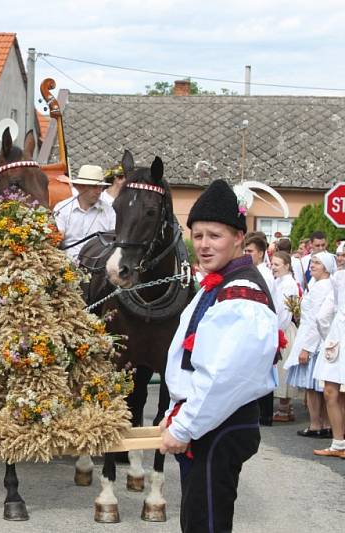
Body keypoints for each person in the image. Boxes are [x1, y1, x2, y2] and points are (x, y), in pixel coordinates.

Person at [159, 179, 278, 533]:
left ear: (239, 237)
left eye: (215, 235)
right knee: (197, 519)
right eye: (197, 236)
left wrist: (184, 424)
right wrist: (174, 414)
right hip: (208, 421)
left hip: (220, 423)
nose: (204, 245)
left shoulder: (241, 293)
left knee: (205, 523)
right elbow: (188, 359)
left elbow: (224, 377)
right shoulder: (219, 283)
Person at [284, 251, 335, 438]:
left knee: (313, 388)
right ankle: (325, 423)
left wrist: (307, 347)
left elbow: (317, 320)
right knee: (317, 388)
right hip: (315, 338)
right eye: (311, 262)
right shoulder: (318, 284)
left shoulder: (323, 286)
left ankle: (316, 424)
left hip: (314, 342)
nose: (312, 265)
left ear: (326, 267)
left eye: (317, 263)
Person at [313, 259, 345, 457]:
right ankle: (338, 443)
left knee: (332, 393)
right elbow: (323, 316)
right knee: (332, 392)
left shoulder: (339, 277)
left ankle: (339, 443)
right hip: (337, 339)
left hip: (337, 338)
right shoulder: (338, 277)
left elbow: (323, 317)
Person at [53, 164, 116, 262]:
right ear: (79, 187)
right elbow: (57, 238)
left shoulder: (109, 211)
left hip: (97, 264)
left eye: (100, 187)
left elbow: (113, 239)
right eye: (94, 187)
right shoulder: (62, 208)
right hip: (67, 264)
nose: (99, 191)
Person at [271, 251, 302, 422]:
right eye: (273, 264)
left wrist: (277, 330)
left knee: (283, 369)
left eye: (277, 264)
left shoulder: (289, 284)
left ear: (287, 266)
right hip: (281, 328)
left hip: (284, 329)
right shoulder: (279, 281)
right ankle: (285, 408)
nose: (273, 267)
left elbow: (285, 311)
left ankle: (284, 408)